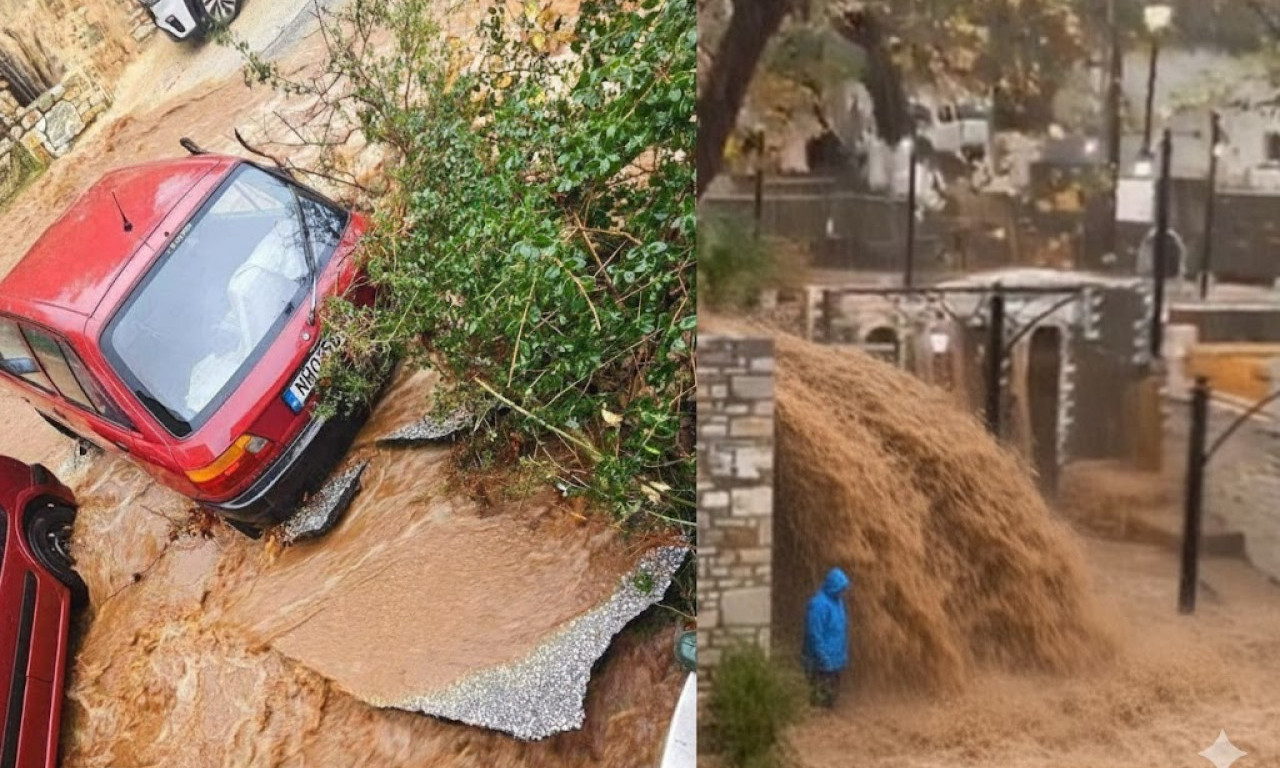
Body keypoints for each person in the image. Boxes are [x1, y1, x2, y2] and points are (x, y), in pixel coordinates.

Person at [803, 567, 850, 708]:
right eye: (841, 588)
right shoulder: (818, 605)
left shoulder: (838, 602)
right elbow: (814, 633)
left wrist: (842, 655)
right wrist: (822, 657)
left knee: (831, 697)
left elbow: (839, 630)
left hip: (835, 659)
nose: (843, 592)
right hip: (820, 662)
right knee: (819, 698)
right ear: (833, 585)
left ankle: (828, 720)